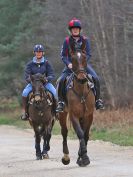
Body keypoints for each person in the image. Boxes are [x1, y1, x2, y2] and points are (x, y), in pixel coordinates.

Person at [56, 18, 104, 112]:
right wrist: (68, 64)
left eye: (77, 28)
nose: (75, 30)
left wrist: (83, 63)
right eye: (73, 28)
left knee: (96, 78)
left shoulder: (85, 40)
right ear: (70, 30)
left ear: (79, 30)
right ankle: (61, 103)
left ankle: (98, 100)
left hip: (83, 65)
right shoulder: (66, 41)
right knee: (61, 80)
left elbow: (89, 54)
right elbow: (63, 55)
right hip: (70, 65)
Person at [21, 44, 56, 120]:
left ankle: (56, 112)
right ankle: (25, 112)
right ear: (34, 53)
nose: (38, 53)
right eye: (37, 52)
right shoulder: (30, 64)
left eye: (40, 52)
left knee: (55, 92)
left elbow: (52, 74)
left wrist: (47, 79)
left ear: (43, 53)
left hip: (45, 84)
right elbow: (27, 75)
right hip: (33, 84)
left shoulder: (47, 63)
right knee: (24, 93)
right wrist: (31, 81)